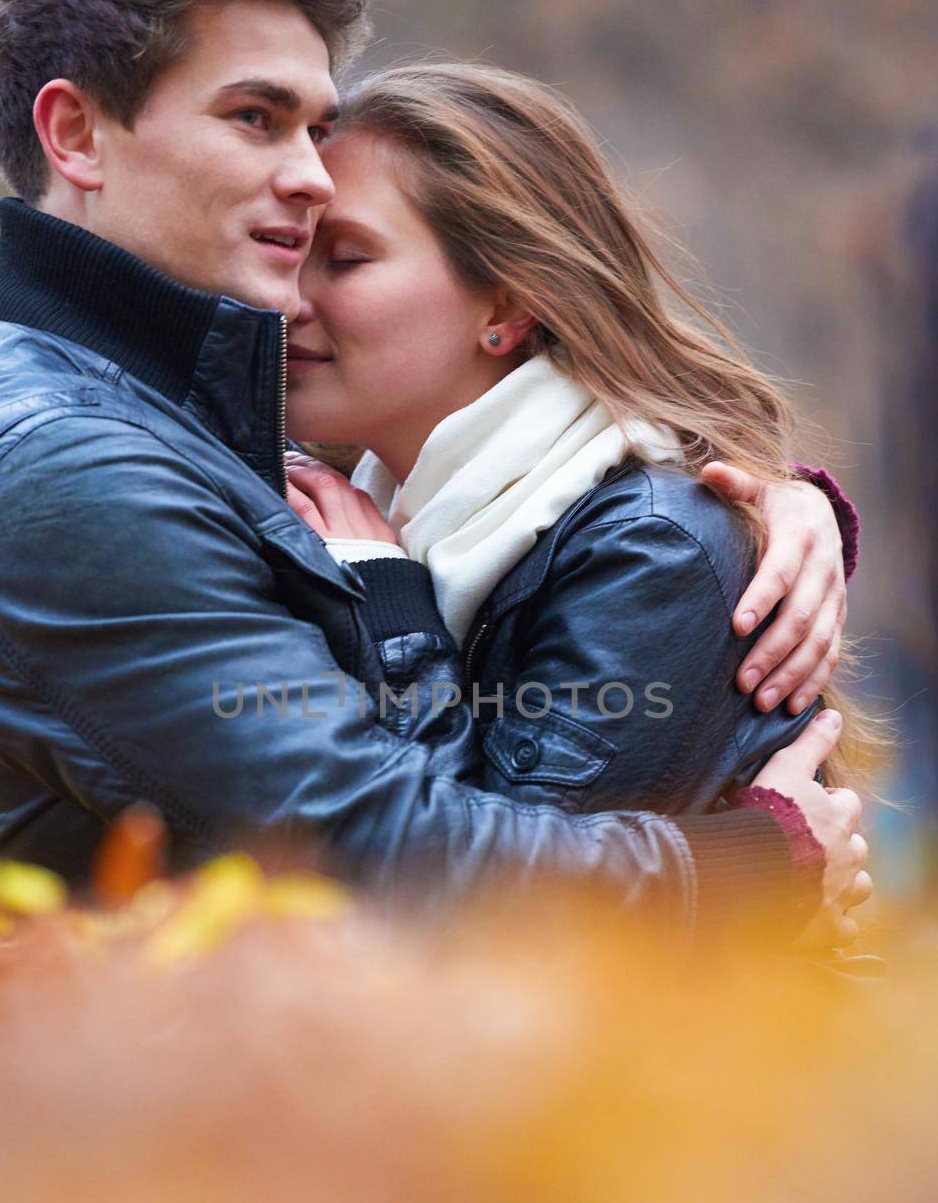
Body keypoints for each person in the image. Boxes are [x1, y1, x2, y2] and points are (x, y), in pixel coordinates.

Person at [0, 0, 867, 940]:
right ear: (77, 133)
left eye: (317, 129)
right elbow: (388, 851)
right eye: (254, 118)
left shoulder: (176, 417)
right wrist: (755, 865)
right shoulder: (71, 472)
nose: (310, 177)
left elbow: (623, 505)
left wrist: (770, 500)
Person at [282, 63, 866, 823]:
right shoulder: (346, 506)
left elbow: (497, 906)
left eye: (347, 258)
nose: (288, 299)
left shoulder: (650, 551)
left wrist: (394, 612)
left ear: (509, 303)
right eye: (291, 251)